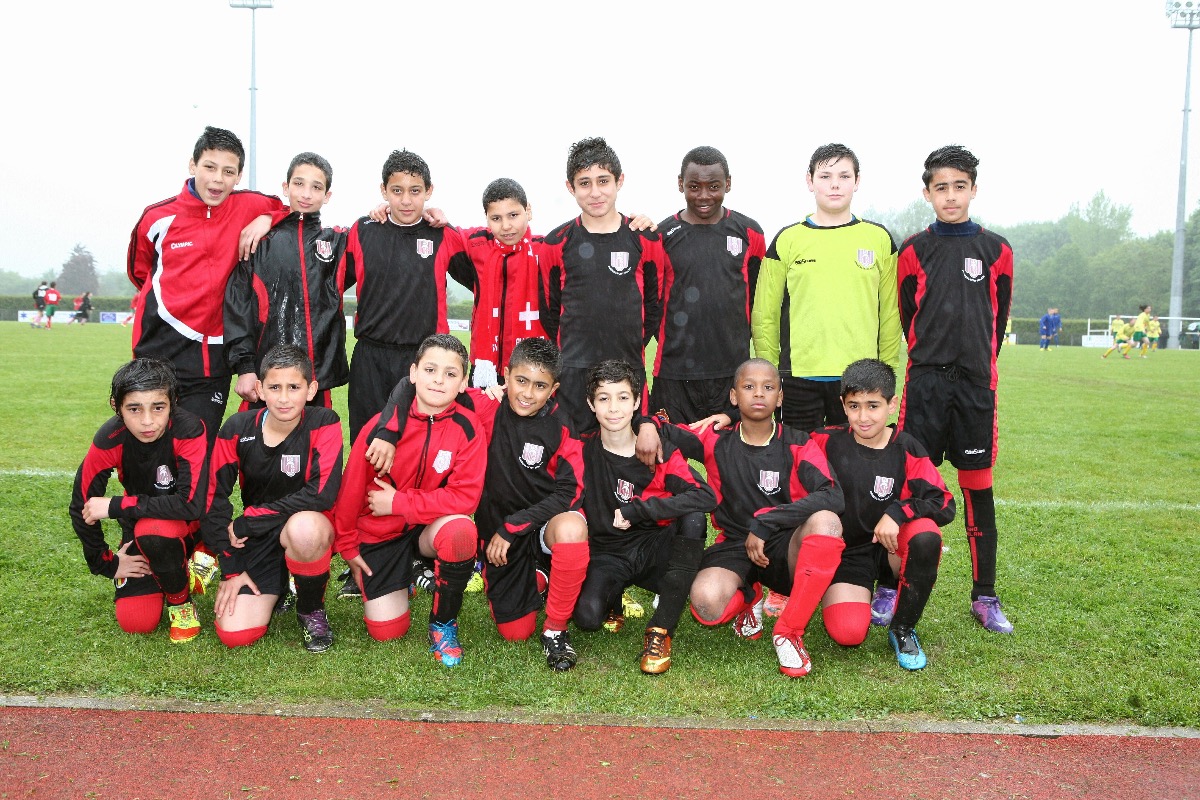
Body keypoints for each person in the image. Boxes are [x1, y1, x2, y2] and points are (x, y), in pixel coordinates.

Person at [364, 338, 591, 671]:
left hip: (538, 526)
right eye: (521, 380)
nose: (528, 393)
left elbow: (570, 494)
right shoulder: (484, 405)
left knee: (572, 528)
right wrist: (387, 431)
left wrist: (514, 527)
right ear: (506, 375)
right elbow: (411, 386)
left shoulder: (563, 425)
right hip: (497, 534)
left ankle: (556, 630)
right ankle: (538, 577)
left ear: (554, 389)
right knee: (515, 632)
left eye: (540, 386)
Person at [659, 358, 845, 678]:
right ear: (734, 397)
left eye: (768, 387)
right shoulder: (715, 438)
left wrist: (769, 521)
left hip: (785, 544)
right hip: (735, 543)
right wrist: (650, 427)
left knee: (827, 522)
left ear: (780, 397)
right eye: (749, 387)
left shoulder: (799, 442)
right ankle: (750, 595)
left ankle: (789, 632)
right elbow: (663, 428)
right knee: (706, 604)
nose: (759, 393)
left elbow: (833, 494)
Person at [895, 144, 1015, 634]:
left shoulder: (997, 250)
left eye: (959, 186)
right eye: (940, 187)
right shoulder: (913, 250)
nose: (950, 195)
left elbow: (997, 320)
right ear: (927, 193)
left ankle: (984, 595)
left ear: (973, 190)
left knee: (978, 493)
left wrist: (974, 365)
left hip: (974, 389)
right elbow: (908, 315)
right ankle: (888, 585)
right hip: (925, 385)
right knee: (905, 485)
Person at [126, 126, 287, 442]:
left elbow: (290, 207)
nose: (217, 179)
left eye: (228, 171)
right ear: (192, 165)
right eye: (209, 167)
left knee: (197, 446)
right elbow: (140, 274)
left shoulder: (251, 205)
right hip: (157, 351)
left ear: (238, 176)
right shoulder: (156, 217)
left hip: (212, 359)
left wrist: (267, 218)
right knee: (150, 444)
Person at [334, 334, 486, 667]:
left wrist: (400, 503)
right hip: (381, 533)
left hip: (427, 528)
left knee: (461, 531)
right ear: (413, 373)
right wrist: (347, 546)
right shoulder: (380, 428)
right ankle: (402, 579)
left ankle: (443, 624)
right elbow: (350, 490)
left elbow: (465, 498)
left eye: (450, 373)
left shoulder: (468, 427)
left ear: (463, 383)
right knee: (386, 631)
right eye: (430, 370)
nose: (439, 380)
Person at [808, 359, 955, 670]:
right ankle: (849, 592)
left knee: (926, 536)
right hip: (848, 555)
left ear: (892, 404)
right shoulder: (823, 441)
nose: (863, 417)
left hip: (891, 548)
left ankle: (903, 628)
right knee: (848, 633)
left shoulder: (907, 447)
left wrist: (899, 511)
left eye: (873, 406)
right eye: (854, 406)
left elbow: (944, 502)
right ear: (843, 405)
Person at [574, 360, 717, 674]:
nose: (614, 408)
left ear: (637, 402)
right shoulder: (582, 450)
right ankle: (614, 597)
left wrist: (638, 510)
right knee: (586, 618)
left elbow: (706, 496)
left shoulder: (658, 450)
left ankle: (660, 630)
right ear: (591, 404)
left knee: (693, 517)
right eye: (604, 398)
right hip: (608, 553)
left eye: (623, 397)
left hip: (655, 549)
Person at [751, 143, 902, 433]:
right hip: (798, 377)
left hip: (860, 379)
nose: (835, 184)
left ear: (857, 181)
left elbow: (891, 314)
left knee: (854, 460)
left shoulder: (878, 239)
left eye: (844, 176)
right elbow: (764, 315)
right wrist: (769, 374)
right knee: (798, 458)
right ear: (810, 181)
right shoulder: (788, 240)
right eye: (825, 176)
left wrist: (886, 372)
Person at [204, 345, 343, 652]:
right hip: (260, 535)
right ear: (259, 389)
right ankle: (281, 583)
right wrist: (231, 568)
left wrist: (250, 520)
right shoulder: (237, 428)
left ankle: (310, 608)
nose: (283, 398)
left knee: (305, 529)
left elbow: (321, 495)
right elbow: (213, 497)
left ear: (311, 390)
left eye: (294, 387)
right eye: (275, 387)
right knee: (235, 633)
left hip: (305, 527)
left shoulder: (324, 421)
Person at [68, 359, 208, 642]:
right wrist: (107, 563)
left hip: (189, 525)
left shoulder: (189, 429)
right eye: (134, 409)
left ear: (173, 403)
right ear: (116, 407)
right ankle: (170, 564)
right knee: (137, 621)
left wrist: (115, 505)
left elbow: (191, 504)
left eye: (158, 407)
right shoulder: (110, 438)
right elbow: (81, 505)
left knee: (154, 530)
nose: (147, 421)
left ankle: (182, 597)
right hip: (139, 529)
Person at [541, 137, 665, 440]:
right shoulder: (556, 243)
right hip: (574, 372)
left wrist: (628, 343)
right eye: (584, 183)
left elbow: (654, 305)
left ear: (619, 181)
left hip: (627, 369)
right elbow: (550, 311)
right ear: (570, 187)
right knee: (574, 456)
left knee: (628, 455)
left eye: (603, 181)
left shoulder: (645, 239)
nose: (595, 192)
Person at [343, 150, 466, 442]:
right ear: (383, 190)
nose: (406, 200)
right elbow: (329, 284)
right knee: (367, 441)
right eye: (397, 191)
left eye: (415, 191)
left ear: (429, 191)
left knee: (418, 443)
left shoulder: (443, 234)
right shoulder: (362, 231)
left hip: (424, 358)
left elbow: (483, 278)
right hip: (370, 358)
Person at [224, 152, 351, 412]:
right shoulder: (259, 241)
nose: (306, 194)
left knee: (317, 438)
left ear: (327, 195)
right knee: (255, 438)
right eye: (299, 183)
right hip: (267, 377)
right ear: (286, 187)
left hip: (315, 380)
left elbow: (379, 233)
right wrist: (245, 367)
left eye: (316, 187)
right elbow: (239, 307)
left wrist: (386, 210)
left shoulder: (338, 243)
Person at [651, 146, 767, 424]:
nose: (704, 196)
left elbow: (758, 300)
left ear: (728, 183)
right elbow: (652, 304)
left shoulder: (750, 232)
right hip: (674, 373)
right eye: (694, 187)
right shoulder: (662, 236)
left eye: (713, 186)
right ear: (681, 184)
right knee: (667, 447)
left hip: (732, 371)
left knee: (731, 449)